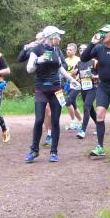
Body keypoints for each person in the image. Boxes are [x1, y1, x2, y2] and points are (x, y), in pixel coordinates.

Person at [25, 28, 78, 162]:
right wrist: (39, 60)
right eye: (58, 36)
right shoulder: (36, 50)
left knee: (55, 121)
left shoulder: (56, 50)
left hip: (56, 90)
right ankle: (34, 150)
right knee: (39, 120)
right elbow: (29, 69)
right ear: (51, 37)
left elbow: (60, 68)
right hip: (41, 89)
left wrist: (71, 80)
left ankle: (54, 152)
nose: (60, 39)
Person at [80, 24, 110, 156]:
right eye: (101, 32)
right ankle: (100, 147)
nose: (102, 34)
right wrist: (92, 43)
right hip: (103, 87)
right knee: (100, 114)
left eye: (105, 32)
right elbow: (83, 58)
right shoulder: (98, 48)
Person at [75, 43, 98, 139]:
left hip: (93, 87)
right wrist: (75, 76)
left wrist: (94, 77)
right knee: (90, 109)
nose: (82, 51)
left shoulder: (94, 61)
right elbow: (74, 74)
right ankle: (99, 124)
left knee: (86, 107)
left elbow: (103, 74)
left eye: (84, 49)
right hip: (84, 88)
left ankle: (82, 130)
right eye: (80, 50)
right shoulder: (79, 63)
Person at [63, 43, 84, 130]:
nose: (68, 51)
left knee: (68, 102)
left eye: (70, 50)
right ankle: (81, 122)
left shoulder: (79, 60)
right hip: (69, 84)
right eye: (67, 49)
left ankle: (73, 121)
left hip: (77, 84)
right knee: (73, 105)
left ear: (75, 51)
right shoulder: (65, 60)